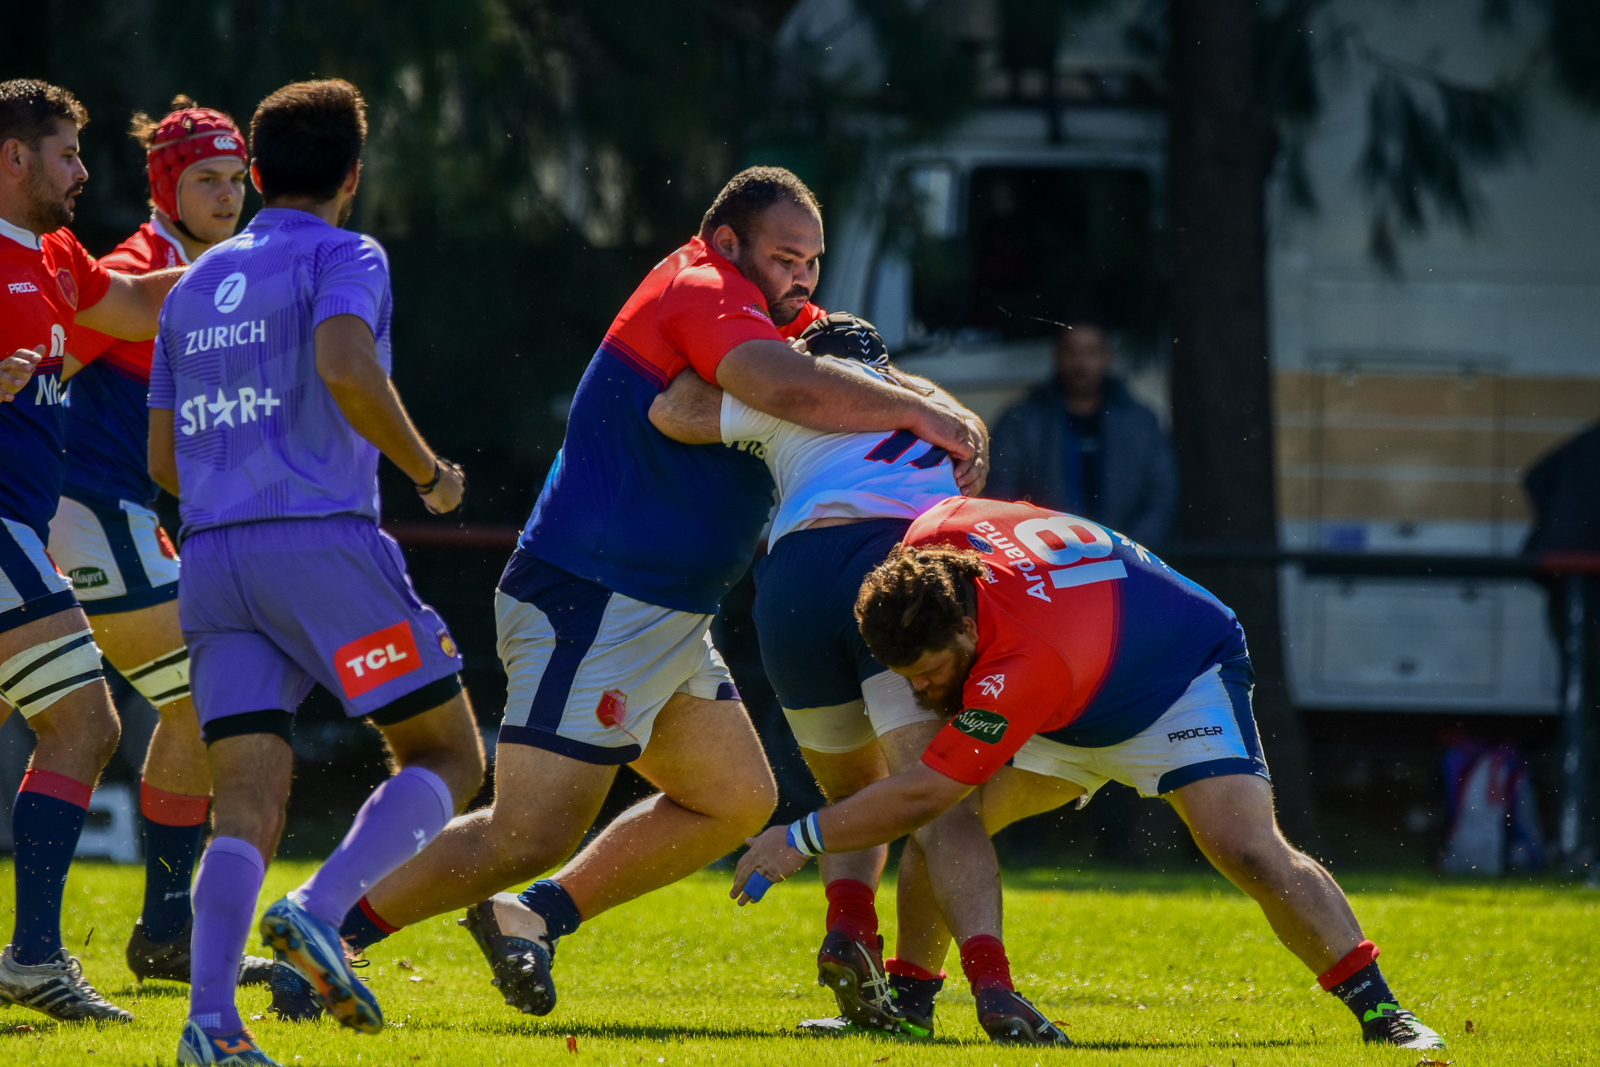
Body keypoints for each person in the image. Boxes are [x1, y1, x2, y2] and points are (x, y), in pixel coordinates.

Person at [317, 168, 986, 1023]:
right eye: (786, 258)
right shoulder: (702, 284)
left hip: (664, 613)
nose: (804, 279)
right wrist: (924, 416)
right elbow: (780, 388)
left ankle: (533, 916)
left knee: (735, 798)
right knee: (527, 829)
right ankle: (322, 933)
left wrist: (955, 419)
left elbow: (879, 378)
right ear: (729, 243)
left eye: (814, 262)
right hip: (596, 593)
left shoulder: (782, 318)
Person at [733, 496, 1447, 1051]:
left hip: (1176, 678)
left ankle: (1383, 1009)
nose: (921, 693)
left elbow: (924, 786)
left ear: (963, 630)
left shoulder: (1020, 662)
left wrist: (799, 837)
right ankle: (911, 1004)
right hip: (1080, 681)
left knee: (1245, 846)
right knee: (953, 825)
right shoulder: (934, 540)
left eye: (928, 675)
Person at [147, 79, 484, 1067]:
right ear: (351, 175)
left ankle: (210, 1023)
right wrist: (427, 471)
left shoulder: (194, 283)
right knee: (447, 752)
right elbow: (344, 361)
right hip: (320, 545)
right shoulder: (348, 252)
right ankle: (319, 906)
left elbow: (163, 462)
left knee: (245, 800)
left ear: (252, 173)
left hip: (212, 559)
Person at [648, 313, 1046, 1041]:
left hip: (794, 581)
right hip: (891, 570)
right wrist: (931, 409)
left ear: (807, 365)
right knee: (938, 802)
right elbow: (961, 434)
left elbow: (670, 409)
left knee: (851, 793)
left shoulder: (789, 396)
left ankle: (850, 930)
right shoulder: (937, 414)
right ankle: (992, 984)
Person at [51, 95, 271, 988]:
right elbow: (42, 368)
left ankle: (163, 935)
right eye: (206, 181)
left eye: (236, 181)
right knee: (212, 694)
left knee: (192, 703)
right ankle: (165, 935)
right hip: (84, 512)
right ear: (167, 189)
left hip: (113, 515)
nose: (227, 197)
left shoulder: (211, 274)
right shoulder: (135, 271)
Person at [0, 78, 187, 1022]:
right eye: (68, 153)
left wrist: (262, 260)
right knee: (85, 722)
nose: (82, 172)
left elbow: (140, 304)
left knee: (81, 722)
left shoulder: (57, 257)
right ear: (14, 156)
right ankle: (33, 955)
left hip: (19, 531)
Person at [987, 320, 1176, 547]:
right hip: (1044, 556)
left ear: (1108, 356)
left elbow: (1161, 496)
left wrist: (1132, 551)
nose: (1081, 363)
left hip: (1127, 560)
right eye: (1071, 352)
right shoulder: (1021, 420)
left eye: (1090, 352)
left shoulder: (1140, 422)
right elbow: (1000, 491)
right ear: (1056, 355)